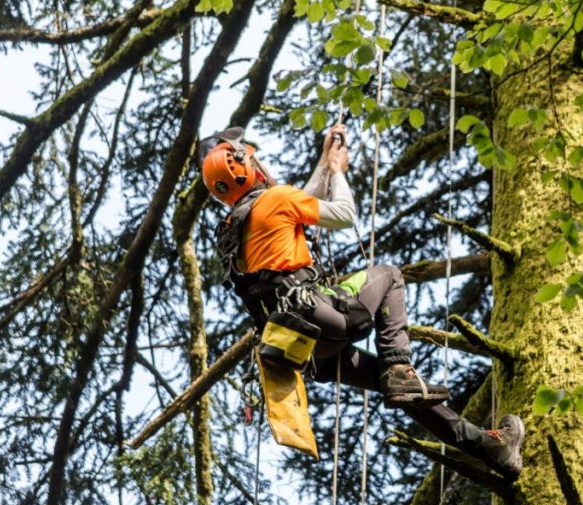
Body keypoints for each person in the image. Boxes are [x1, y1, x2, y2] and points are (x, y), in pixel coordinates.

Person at [197, 124, 525, 479]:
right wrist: (337, 172)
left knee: (401, 392)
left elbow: (300, 205)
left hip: (303, 350)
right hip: (320, 316)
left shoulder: (234, 229)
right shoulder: (276, 200)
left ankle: (492, 448)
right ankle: (399, 365)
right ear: (247, 168)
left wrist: (324, 162)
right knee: (389, 276)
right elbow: (342, 213)